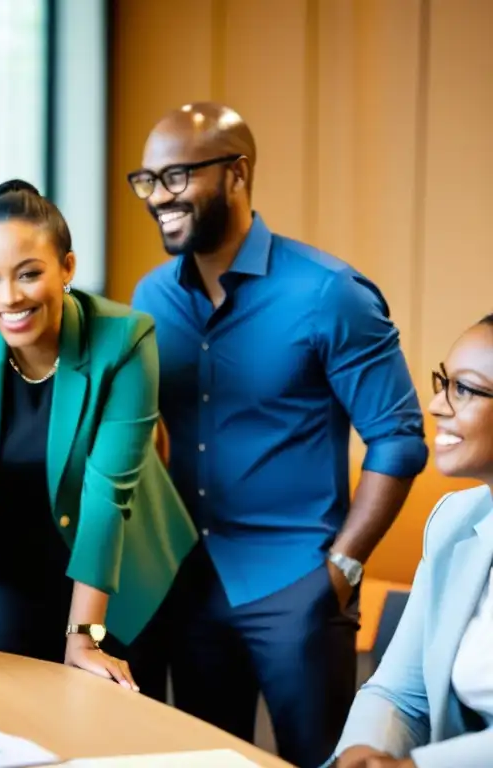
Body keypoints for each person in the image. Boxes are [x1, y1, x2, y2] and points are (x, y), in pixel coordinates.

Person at [128, 102, 428, 767]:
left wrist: (342, 569)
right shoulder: (150, 298)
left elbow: (400, 439)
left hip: (300, 583)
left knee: (320, 761)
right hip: (189, 583)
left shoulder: (330, 293)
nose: (158, 198)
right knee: (215, 759)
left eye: (176, 176)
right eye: (147, 180)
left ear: (236, 174)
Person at [0, 180, 197, 697]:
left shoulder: (124, 337)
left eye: (29, 274)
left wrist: (82, 638)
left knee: (114, 728)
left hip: (120, 572)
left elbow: (106, 497)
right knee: (20, 715)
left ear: (68, 268)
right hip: (13, 566)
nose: (8, 297)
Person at [331, 314, 493, 768]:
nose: (437, 405)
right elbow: (400, 691)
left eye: (465, 388)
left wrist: (413, 767)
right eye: (444, 382)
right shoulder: (454, 521)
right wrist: (362, 754)